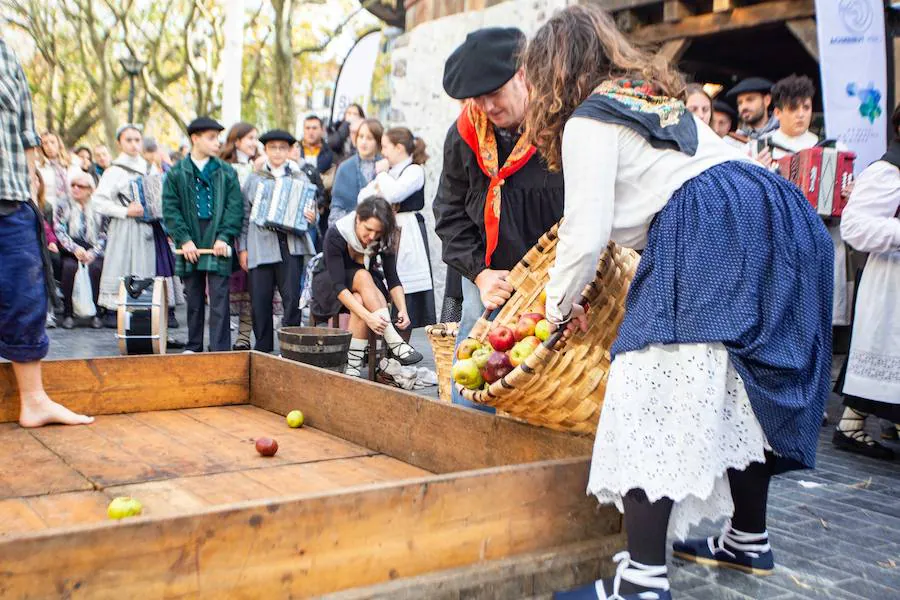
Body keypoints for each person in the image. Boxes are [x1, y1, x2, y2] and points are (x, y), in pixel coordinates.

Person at [521, 6, 833, 599]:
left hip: (709, 221)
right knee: (740, 382)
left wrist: (555, 313)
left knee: (650, 387)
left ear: (553, 72)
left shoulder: (588, 119)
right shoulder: (650, 102)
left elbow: (583, 233)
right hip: (774, 210)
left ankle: (641, 579)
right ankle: (748, 537)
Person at [433, 27, 565, 409]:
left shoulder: (560, 127)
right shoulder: (463, 135)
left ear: (522, 77)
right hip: (490, 281)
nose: (488, 107)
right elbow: (449, 212)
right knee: (474, 386)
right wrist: (479, 272)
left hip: (553, 281)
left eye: (495, 94)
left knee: (547, 394)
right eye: (478, 98)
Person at [0, 39, 93, 427]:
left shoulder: (6, 53)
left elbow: (25, 134)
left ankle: (34, 402)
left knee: (28, 298)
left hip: (11, 198)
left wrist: (31, 198)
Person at [831, 103, 900, 460]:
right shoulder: (888, 171)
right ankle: (851, 426)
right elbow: (855, 226)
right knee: (883, 353)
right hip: (890, 281)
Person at [312, 197, 422, 376]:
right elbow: (338, 285)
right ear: (358, 220)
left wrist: (403, 309)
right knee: (363, 277)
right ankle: (394, 340)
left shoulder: (383, 238)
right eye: (368, 229)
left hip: (366, 284)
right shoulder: (337, 233)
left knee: (360, 297)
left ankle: (353, 369)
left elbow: (392, 278)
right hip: (331, 284)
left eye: (377, 232)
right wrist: (369, 318)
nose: (372, 237)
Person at [162, 117, 243, 353]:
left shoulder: (226, 172)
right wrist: (183, 239)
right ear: (194, 139)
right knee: (194, 295)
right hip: (190, 234)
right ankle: (194, 345)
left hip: (217, 233)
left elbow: (234, 207)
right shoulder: (177, 172)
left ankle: (219, 348)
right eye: (210, 137)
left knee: (219, 296)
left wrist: (224, 236)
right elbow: (170, 208)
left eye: (217, 137)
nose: (216, 142)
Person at [240, 129, 317, 353]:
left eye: (282, 148)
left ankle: (290, 348)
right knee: (260, 300)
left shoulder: (299, 177)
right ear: (265, 150)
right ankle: (262, 349)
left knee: (291, 298)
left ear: (289, 151)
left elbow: (310, 210)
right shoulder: (254, 179)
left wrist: (312, 217)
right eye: (273, 147)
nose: (277, 152)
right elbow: (245, 216)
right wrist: (243, 248)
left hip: (290, 245)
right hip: (260, 246)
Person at [359, 127, 436, 335]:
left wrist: (382, 176)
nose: (382, 152)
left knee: (405, 287)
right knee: (384, 283)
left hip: (408, 232)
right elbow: (363, 198)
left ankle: (401, 350)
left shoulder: (414, 170)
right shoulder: (391, 173)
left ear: (399, 147)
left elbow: (393, 194)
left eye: (385, 146)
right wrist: (382, 181)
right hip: (387, 230)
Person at [93, 124, 160, 326]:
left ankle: (144, 309)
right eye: (128, 140)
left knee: (145, 266)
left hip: (147, 228)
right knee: (120, 264)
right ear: (119, 143)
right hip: (123, 226)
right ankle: (117, 310)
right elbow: (98, 202)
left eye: (137, 140)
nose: (133, 144)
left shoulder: (150, 167)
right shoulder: (114, 170)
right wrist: (124, 211)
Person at [221, 121, 262, 351]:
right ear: (237, 141)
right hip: (229, 233)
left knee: (249, 287)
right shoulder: (225, 168)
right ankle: (222, 334)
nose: (253, 143)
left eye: (255, 138)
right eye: (249, 138)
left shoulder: (257, 167)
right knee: (227, 287)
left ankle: (244, 336)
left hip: (250, 234)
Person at [53, 171, 108, 329]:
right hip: (71, 249)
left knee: (96, 269)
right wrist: (75, 249)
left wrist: (93, 252)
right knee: (69, 269)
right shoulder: (64, 205)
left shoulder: (99, 208)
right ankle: (68, 313)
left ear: (90, 189)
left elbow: (105, 234)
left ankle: (97, 313)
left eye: (81, 186)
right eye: (73, 185)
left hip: (92, 249)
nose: (76, 189)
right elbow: (59, 230)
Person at [330, 119, 383, 227]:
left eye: (369, 138)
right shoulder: (345, 168)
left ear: (378, 141)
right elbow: (337, 207)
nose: (363, 142)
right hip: (348, 229)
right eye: (361, 136)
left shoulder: (384, 166)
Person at [36, 131, 82, 212]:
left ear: (59, 144)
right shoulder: (38, 167)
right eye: (45, 143)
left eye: (52, 142)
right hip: (49, 211)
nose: (49, 146)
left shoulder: (73, 163)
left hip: (73, 209)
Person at [300, 115, 336, 182]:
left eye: (314, 128)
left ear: (322, 130)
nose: (311, 132)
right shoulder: (294, 150)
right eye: (307, 128)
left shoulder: (330, 153)